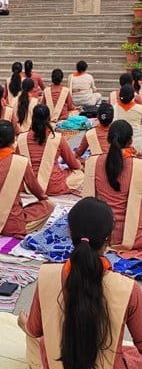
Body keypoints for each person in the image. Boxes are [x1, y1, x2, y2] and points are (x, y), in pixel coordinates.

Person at [18, 197, 142, 369]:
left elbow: (34, 330)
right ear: (109, 238)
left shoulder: (47, 276)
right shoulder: (128, 288)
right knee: (128, 355)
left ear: (69, 232)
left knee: (37, 340)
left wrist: (23, 323)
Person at [0, 121, 54, 238]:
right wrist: (44, 199)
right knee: (48, 205)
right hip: (12, 224)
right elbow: (36, 190)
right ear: (13, 140)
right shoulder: (20, 162)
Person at [83, 121, 142, 252]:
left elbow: (85, 201)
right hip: (130, 236)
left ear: (108, 139)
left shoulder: (93, 161)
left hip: (97, 233)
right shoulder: (138, 166)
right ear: (131, 141)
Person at [15, 105, 83, 196]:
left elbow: (16, 163)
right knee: (79, 174)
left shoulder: (21, 138)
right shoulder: (57, 138)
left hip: (27, 185)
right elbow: (73, 164)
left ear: (32, 118)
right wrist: (79, 164)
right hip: (53, 185)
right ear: (49, 118)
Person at [113, 84, 142, 153]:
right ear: (133, 96)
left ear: (119, 96)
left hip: (119, 143)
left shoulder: (114, 108)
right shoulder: (140, 108)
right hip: (138, 143)